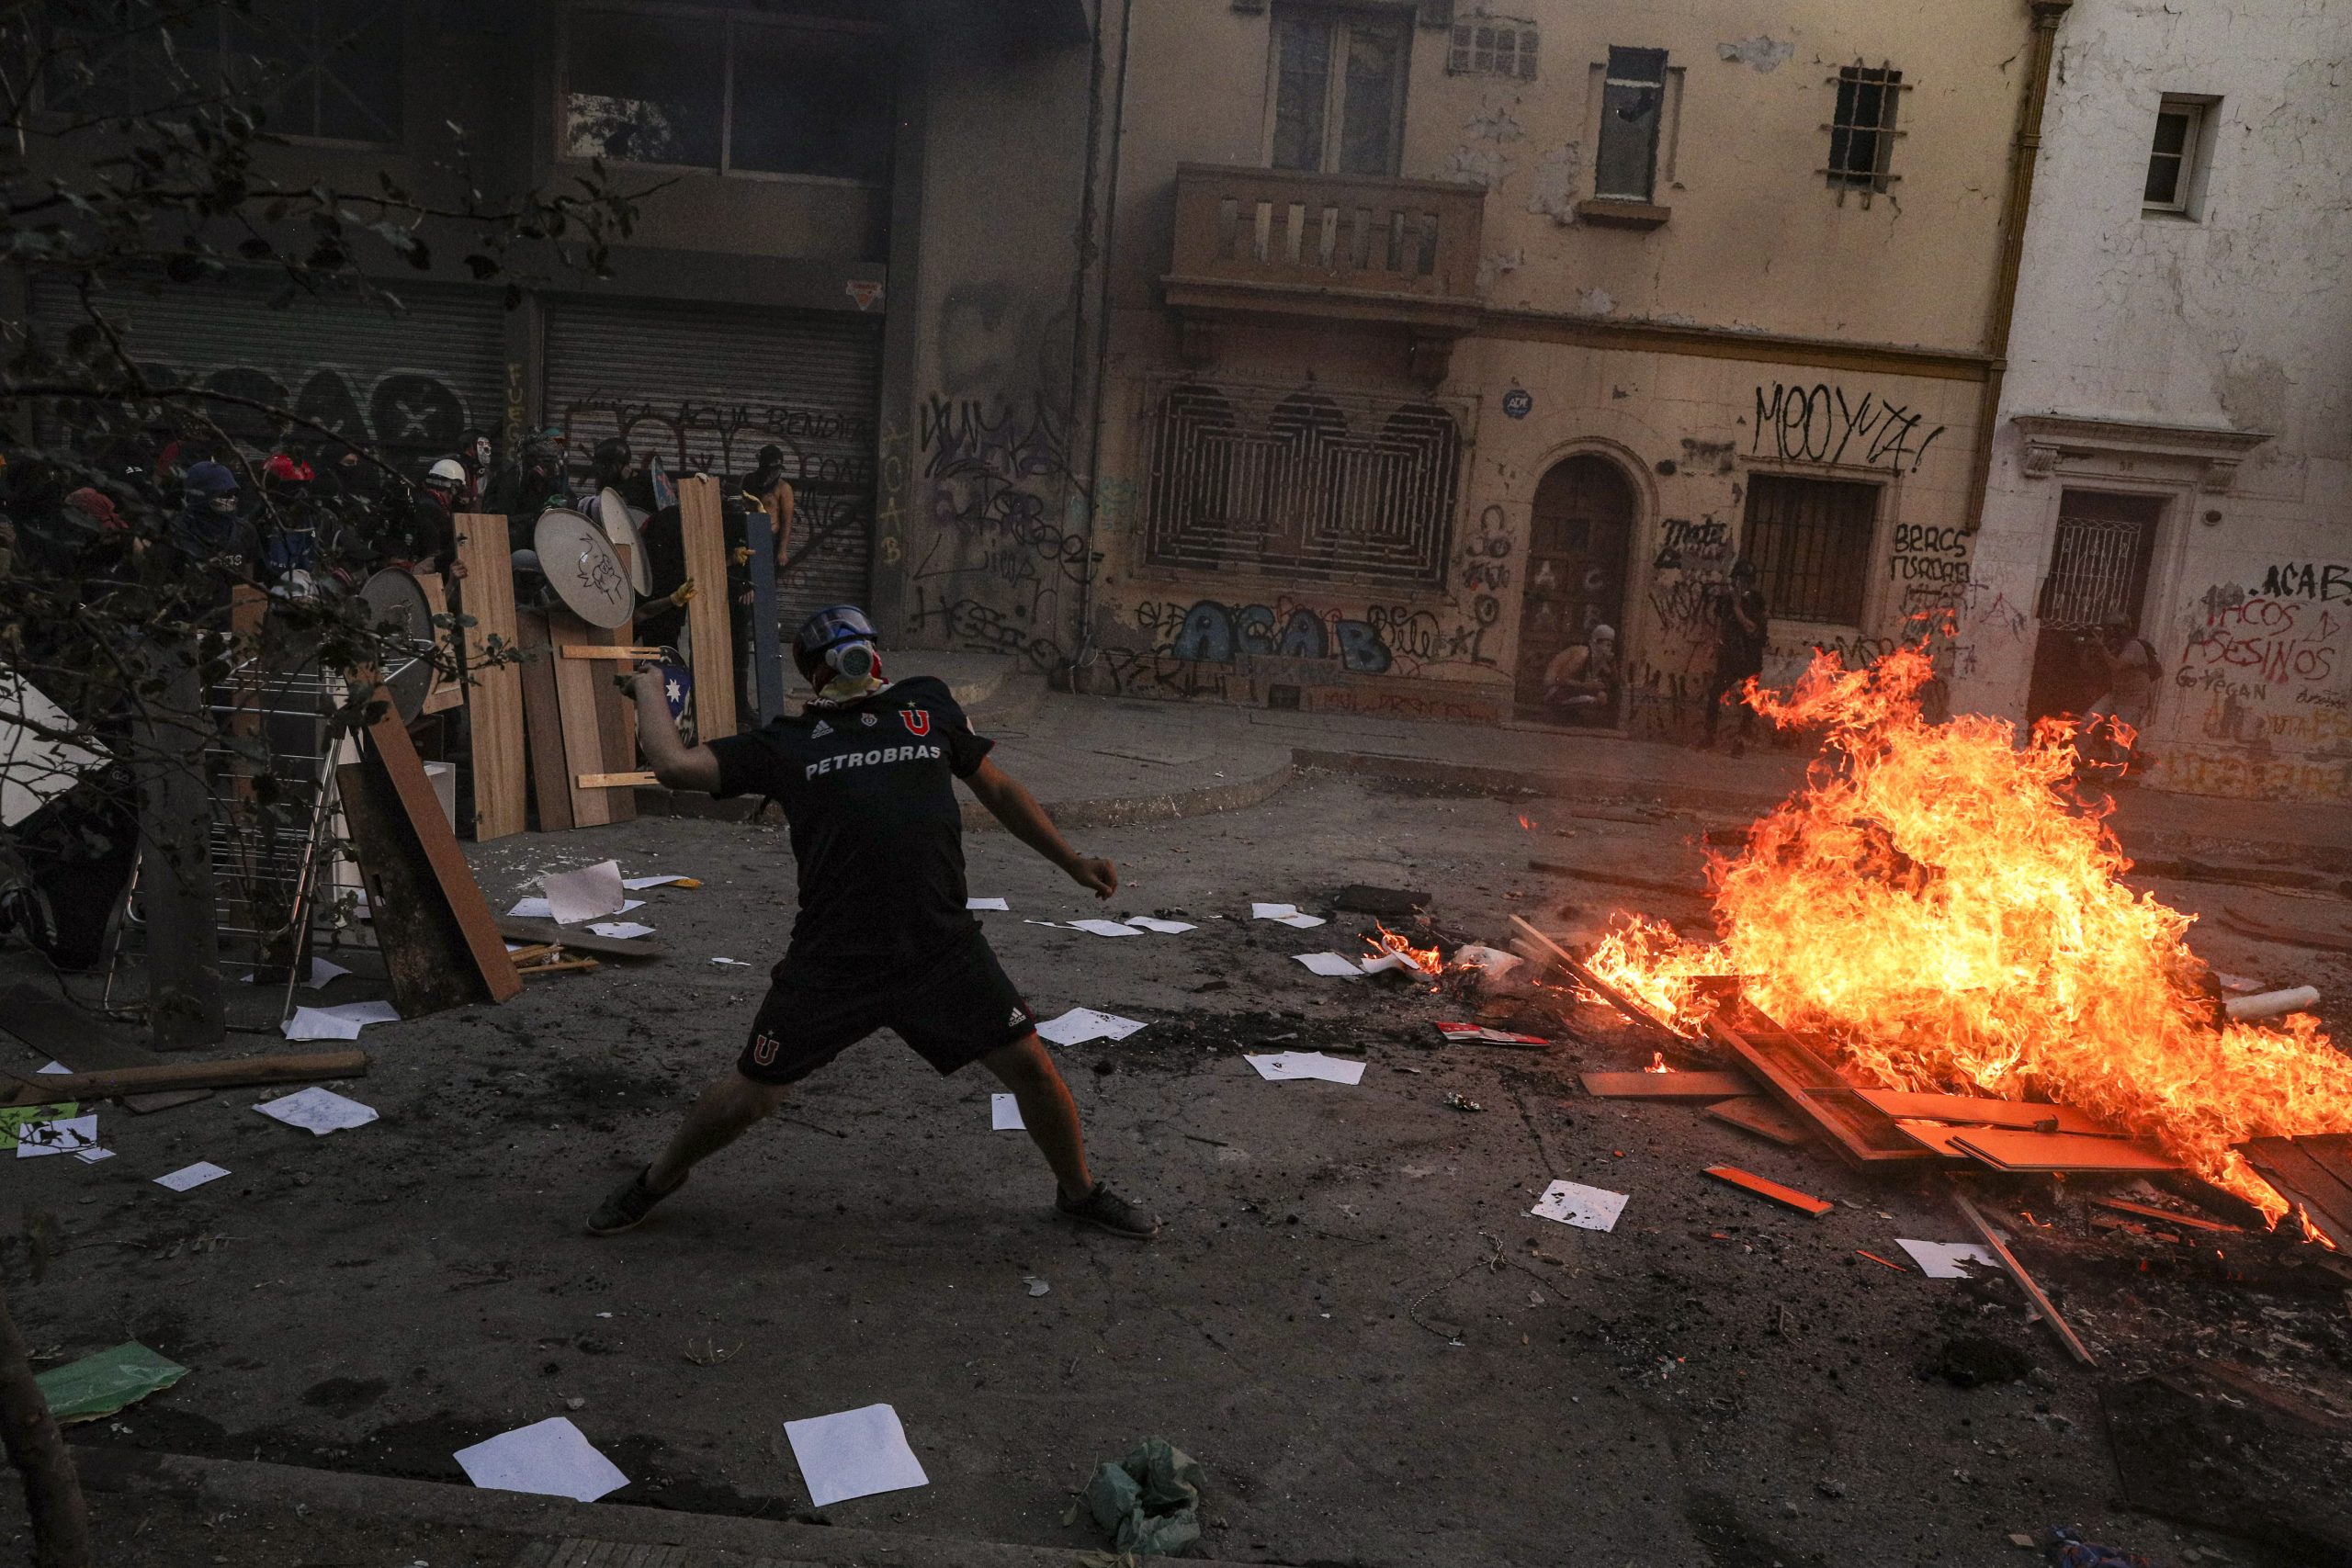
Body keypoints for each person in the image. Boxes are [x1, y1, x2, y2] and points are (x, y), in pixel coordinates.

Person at [586, 604, 1159, 1241]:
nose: (857, 661)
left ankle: (1079, 1192)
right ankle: (658, 1178)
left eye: (861, 646)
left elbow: (997, 789)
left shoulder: (927, 705)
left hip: (939, 948)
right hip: (835, 960)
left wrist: (1074, 861)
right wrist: (648, 688)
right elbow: (674, 766)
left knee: (1031, 1066)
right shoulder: (785, 742)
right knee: (753, 1091)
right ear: (817, 672)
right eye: (840, 652)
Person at [1701, 560, 1770, 754]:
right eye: (1737, 579)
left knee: (1748, 702)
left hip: (1750, 659)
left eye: (1743, 580)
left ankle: (1741, 743)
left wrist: (1738, 607)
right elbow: (1720, 623)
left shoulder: (1756, 601)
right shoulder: (1728, 600)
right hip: (1730, 658)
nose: (1740, 584)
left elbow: (1752, 628)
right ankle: (1709, 736)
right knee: (1715, 693)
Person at [2079, 620, 2161, 776]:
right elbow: (2089, 669)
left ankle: (2116, 772)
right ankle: (2080, 758)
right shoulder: (2112, 646)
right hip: (2115, 694)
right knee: (2088, 720)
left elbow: (2117, 666)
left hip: (2133, 698)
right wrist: (2088, 649)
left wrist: (2101, 647)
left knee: (2121, 737)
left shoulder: (2134, 647)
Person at [1542, 624, 1619, 726]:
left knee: (1602, 696)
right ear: (1596, 643)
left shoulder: (1599, 659)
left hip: (1567, 690)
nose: (1609, 649)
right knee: (1595, 698)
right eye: (1607, 645)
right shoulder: (1582, 654)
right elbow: (1560, 679)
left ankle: (1570, 715)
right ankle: (1560, 714)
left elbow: (1615, 681)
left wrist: (1613, 663)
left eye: (1611, 645)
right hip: (1552, 691)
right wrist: (1586, 685)